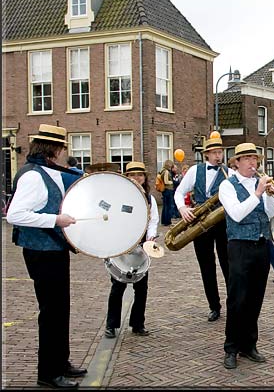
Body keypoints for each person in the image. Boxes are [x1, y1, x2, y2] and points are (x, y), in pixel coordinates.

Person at [6, 124, 86, 389]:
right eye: (63, 148)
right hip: (41, 252)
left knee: (60, 309)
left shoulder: (48, 172)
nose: (65, 153)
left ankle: (60, 363)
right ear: (55, 149)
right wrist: (57, 219)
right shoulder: (32, 176)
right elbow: (15, 214)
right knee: (51, 312)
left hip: (53, 250)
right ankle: (48, 373)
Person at [218, 142, 274, 369]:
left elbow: (270, 213)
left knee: (255, 297)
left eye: (255, 158)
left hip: (261, 244)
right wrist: (258, 192)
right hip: (239, 245)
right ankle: (231, 347)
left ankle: (249, 344)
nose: (253, 163)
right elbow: (237, 214)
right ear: (237, 162)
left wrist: (270, 196)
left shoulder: (258, 183)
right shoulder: (228, 185)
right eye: (248, 158)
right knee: (237, 299)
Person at [175, 135, 230, 322]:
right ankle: (214, 306)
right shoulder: (194, 170)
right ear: (206, 154)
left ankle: (233, 303)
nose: (218, 156)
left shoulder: (228, 172)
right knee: (206, 266)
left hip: (222, 222)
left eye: (220, 152)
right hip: (200, 222)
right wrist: (183, 208)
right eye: (214, 153)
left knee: (227, 264)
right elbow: (179, 192)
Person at [104, 161, 159, 339]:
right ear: (126, 177)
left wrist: (150, 237)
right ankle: (111, 325)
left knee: (141, 288)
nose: (137, 178)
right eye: (133, 175)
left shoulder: (149, 198)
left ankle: (137, 324)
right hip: (122, 244)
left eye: (140, 175)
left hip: (141, 246)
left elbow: (153, 221)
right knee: (117, 287)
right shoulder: (118, 196)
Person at [159, 160, 175, 226]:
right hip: (168, 190)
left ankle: (164, 221)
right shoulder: (166, 171)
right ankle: (167, 221)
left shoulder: (162, 171)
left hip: (165, 191)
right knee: (168, 206)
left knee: (165, 206)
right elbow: (166, 181)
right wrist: (172, 182)